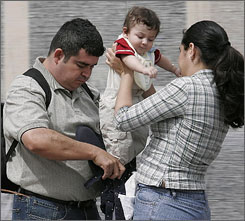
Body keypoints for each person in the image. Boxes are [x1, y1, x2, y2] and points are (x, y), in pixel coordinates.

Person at [106, 20, 244, 220]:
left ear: (191, 50)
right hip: (195, 203)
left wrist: (126, 73)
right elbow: (158, 106)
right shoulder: (222, 91)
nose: (179, 61)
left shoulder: (186, 87)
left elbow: (123, 120)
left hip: (164, 201)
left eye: (179, 52)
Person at [3, 18, 125, 220]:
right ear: (59, 55)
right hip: (40, 209)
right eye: (81, 65)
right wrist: (94, 153)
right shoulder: (27, 87)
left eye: (92, 67)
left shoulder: (87, 92)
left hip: (88, 209)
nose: (87, 74)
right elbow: (36, 139)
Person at [100, 6, 181, 167]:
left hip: (137, 100)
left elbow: (160, 58)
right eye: (140, 36)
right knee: (118, 143)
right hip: (115, 101)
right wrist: (144, 69)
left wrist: (174, 69)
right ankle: (116, 169)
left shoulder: (148, 52)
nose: (145, 42)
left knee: (139, 139)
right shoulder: (123, 44)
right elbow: (129, 60)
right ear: (126, 32)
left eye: (150, 39)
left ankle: (128, 167)